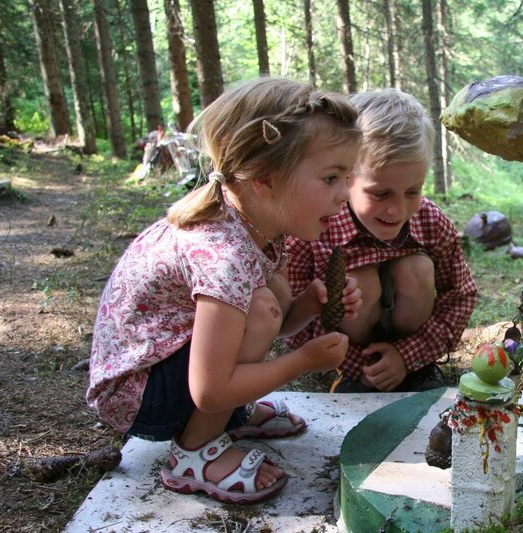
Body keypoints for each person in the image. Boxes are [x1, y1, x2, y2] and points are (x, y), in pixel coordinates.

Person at [86, 78, 363, 504]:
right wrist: (302, 361)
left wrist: (309, 303)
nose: (344, 194)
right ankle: (194, 452)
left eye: (346, 177)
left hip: (171, 363)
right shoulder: (223, 255)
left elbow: (277, 323)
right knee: (261, 308)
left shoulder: (260, 224)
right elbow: (210, 388)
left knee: (267, 299)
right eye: (330, 178)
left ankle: (233, 413)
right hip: (138, 392)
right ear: (264, 179)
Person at [284, 88, 477, 393]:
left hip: (410, 335)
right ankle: (360, 377)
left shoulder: (429, 220)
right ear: (347, 177)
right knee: (359, 282)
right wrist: (353, 363)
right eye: (380, 193)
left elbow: (460, 295)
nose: (397, 209)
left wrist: (409, 354)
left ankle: (417, 371)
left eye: (412, 191)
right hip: (350, 345)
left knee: (417, 270)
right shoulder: (316, 226)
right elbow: (293, 320)